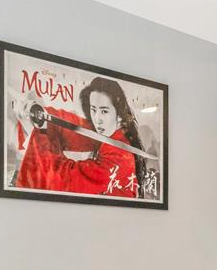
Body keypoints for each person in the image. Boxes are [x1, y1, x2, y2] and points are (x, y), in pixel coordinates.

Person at [10, 75, 156, 199]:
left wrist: (37, 136)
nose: (97, 118)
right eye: (93, 110)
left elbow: (67, 179)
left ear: (118, 113)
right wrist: (43, 117)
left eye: (104, 111)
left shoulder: (121, 155)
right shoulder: (110, 132)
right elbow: (72, 126)